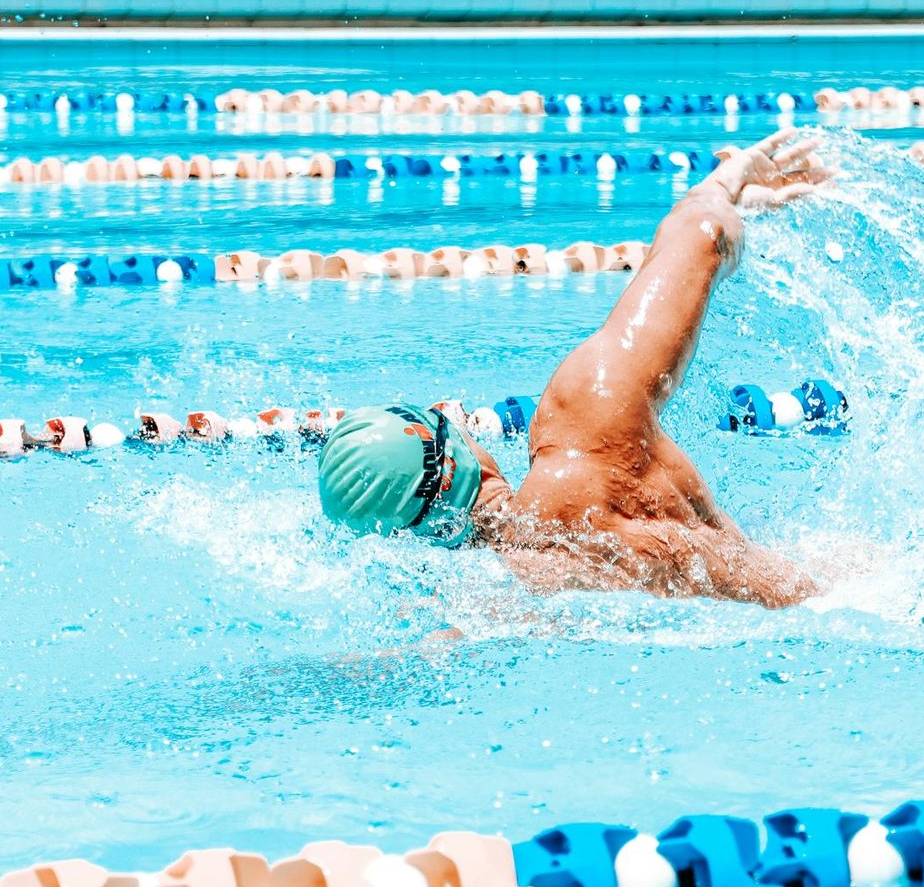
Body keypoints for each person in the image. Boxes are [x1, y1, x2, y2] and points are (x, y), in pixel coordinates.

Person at [317, 129, 830, 609]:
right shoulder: (585, 422)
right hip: (836, 593)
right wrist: (721, 187)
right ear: (451, 460)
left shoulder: (520, 585)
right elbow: (702, 236)